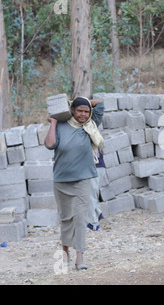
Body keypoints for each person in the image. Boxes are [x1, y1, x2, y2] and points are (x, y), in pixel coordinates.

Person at [45, 97, 104, 271]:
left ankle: (80, 258)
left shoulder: (90, 125)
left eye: (86, 111)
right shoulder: (61, 127)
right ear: (72, 110)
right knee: (66, 219)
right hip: (61, 180)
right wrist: (54, 123)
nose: (83, 115)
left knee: (80, 218)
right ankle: (65, 252)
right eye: (79, 111)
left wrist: (85, 101)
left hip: (83, 179)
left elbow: (100, 102)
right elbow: (49, 144)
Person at [87, 150, 106, 231]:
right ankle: (98, 212)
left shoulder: (85, 138)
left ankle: (94, 223)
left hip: (93, 168)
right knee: (94, 193)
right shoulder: (97, 138)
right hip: (100, 167)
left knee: (90, 196)